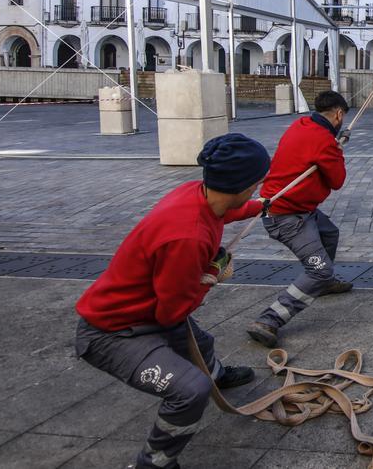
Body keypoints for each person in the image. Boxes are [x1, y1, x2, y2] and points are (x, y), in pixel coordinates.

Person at [74, 133, 272, 469]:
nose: (258, 186)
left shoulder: (196, 195)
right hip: (112, 333)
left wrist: (262, 206)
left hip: (147, 314)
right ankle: (156, 461)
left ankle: (217, 376)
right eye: (257, 183)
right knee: (190, 391)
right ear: (240, 184)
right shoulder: (187, 237)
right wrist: (213, 273)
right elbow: (174, 312)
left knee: (202, 343)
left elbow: (222, 215)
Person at [247, 91, 352, 348]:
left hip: (298, 208)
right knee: (319, 269)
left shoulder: (301, 125)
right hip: (287, 216)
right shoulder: (324, 142)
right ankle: (268, 320)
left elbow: (311, 151)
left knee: (329, 233)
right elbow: (337, 181)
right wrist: (336, 149)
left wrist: (333, 141)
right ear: (339, 114)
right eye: (342, 117)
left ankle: (324, 285)